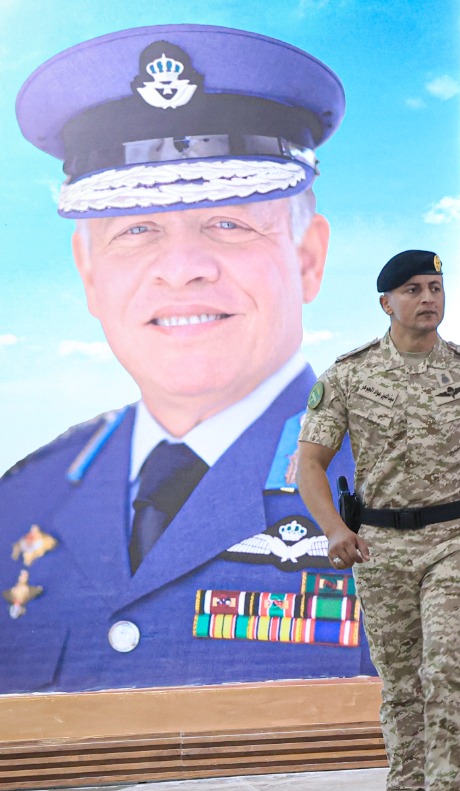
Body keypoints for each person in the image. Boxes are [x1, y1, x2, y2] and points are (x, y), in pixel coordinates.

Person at [0, 24, 368, 693]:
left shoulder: (412, 488)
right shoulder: (25, 496)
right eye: (136, 229)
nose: (182, 268)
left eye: (229, 222)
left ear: (308, 259)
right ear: (89, 272)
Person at [295, 250, 460, 791]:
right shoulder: (349, 376)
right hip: (379, 547)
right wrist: (334, 529)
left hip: (455, 539)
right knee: (401, 684)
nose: (428, 298)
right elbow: (309, 464)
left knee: (447, 671)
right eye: (413, 289)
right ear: (387, 302)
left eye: (436, 287)